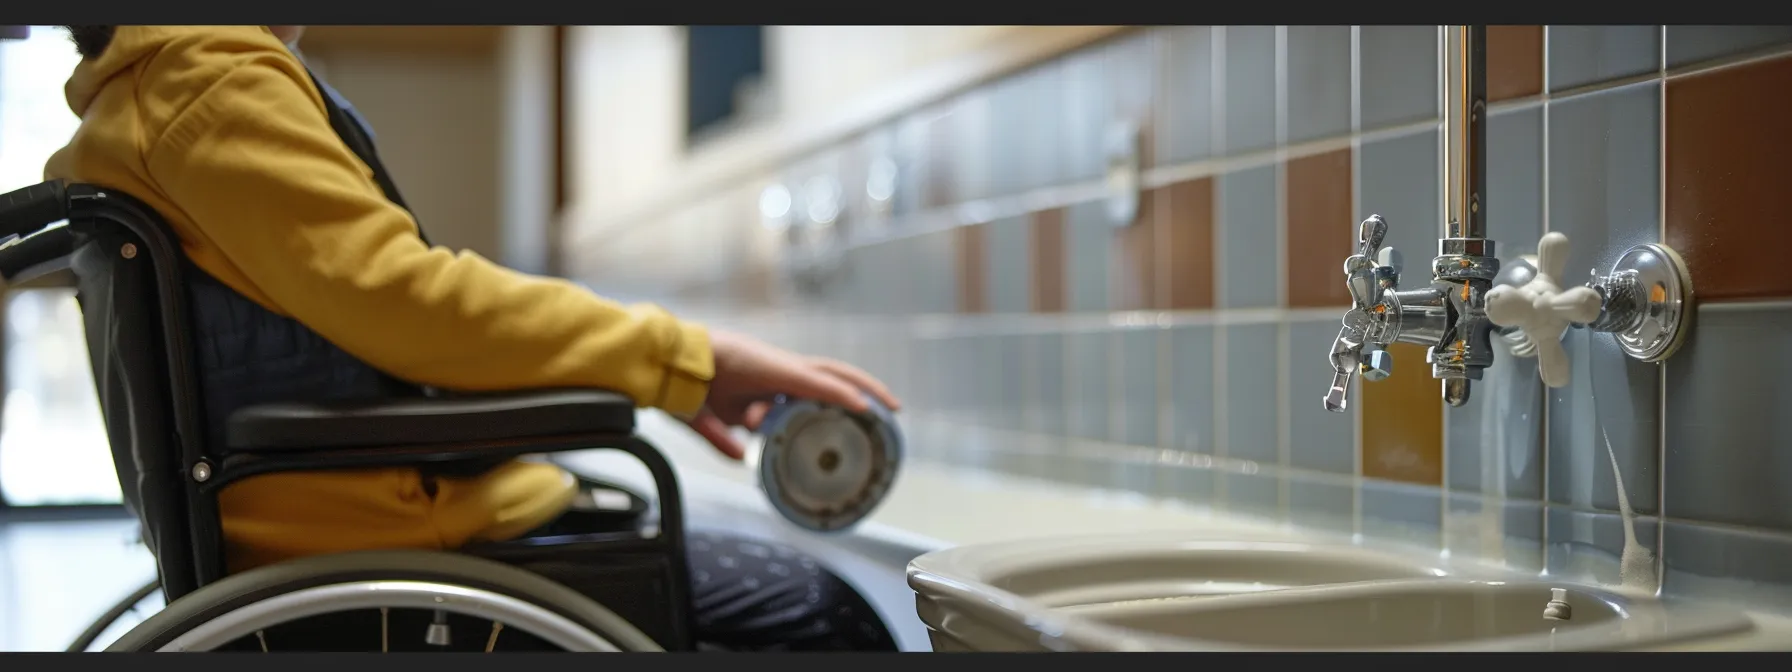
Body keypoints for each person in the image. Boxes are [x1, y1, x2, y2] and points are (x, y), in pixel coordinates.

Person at [48, 25, 902, 651]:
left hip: (349, 527)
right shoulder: (210, 83)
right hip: (396, 552)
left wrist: (664, 375)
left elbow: (390, 308)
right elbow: (414, 306)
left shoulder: (142, 100)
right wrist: (687, 364)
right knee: (822, 617)